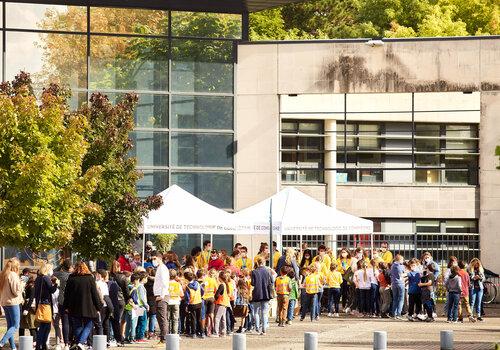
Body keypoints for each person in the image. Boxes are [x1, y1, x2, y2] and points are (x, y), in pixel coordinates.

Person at [64, 261, 103, 349]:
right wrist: (98, 307)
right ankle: (80, 343)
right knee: (88, 325)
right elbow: (95, 294)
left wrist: (66, 306)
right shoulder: (90, 278)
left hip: (74, 306)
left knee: (77, 325)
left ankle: (79, 344)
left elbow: (66, 294)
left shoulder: (71, 278)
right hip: (88, 306)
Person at [0, 258, 23, 350]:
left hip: (5, 302)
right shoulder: (13, 275)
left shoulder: (3, 274)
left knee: (10, 326)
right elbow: (16, 292)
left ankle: (13, 347)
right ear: (15, 266)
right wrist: (22, 285)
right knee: (16, 325)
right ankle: (1, 343)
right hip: (13, 302)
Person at [34, 262, 58, 350]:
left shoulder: (38, 278)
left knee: (45, 326)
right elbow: (51, 290)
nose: (52, 271)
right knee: (45, 326)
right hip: (46, 304)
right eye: (51, 269)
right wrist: (56, 284)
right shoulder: (46, 278)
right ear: (47, 269)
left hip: (40, 304)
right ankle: (40, 345)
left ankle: (42, 345)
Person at [250, 256, 273, 335]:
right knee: (264, 312)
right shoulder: (268, 271)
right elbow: (272, 281)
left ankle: (257, 327)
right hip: (266, 293)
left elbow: (252, 283)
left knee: (256, 311)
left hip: (257, 293)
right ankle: (264, 329)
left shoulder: (254, 272)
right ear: (264, 262)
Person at [53, 259, 71, 349]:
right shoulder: (73, 275)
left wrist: (60, 265)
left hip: (62, 301)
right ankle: (71, 341)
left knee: (65, 322)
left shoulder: (62, 274)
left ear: (63, 267)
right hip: (72, 301)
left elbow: (54, 271)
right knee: (72, 322)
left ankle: (66, 343)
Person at [109, 260, 128, 345]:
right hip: (120, 300)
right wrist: (128, 300)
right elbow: (126, 291)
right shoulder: (123, 277)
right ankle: (119, 338)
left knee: (109, 320)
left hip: (110, 300)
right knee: (118, 320)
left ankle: (111, 337)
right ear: (119, 267)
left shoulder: (108, 276)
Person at [184, 271, 204, 338]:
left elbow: (187, 297)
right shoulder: (198, 283)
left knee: (193, 319)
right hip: (199, 302)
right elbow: (202, 291)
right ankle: (201, 333)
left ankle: (193, 333)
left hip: (192, 303)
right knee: (199, 318)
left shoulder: (188, 286)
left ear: (186, 279)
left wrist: (186, 304)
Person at [213, 271, 230, 337]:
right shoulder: (225, 284)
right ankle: (223, 332)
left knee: (217, 318)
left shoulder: (221, 285)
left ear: (220, 278)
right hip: (225, 303)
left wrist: (215, 299)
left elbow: (217, 294)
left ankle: (216, 332)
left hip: (221, 303)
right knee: (223, 318)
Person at [166, 269, 182, 335]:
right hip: (176, 302)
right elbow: (182, 294)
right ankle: (174, 334)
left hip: (168, 301)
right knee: (175, 319)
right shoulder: (178, 284)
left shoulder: (166, 283)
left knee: (168, 319)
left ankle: (168, 333)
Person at [336, 247, 352, 312]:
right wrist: (341, 268)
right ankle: (339, 306)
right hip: (341, 275)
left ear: (348, 253)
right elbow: (336, 268)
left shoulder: (350, 259)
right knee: (340, 292)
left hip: (348, 276)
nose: (343, 254)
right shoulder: (338, 260)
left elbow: (351, 267)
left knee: (346, 292)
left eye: (345, 252)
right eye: (342, 252)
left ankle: (345, 306)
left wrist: (346, 268)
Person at [390, 254, 405, 319]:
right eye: (402, 259)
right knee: (401, 299)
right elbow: (402, 275)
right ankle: (399, 314)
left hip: (394, 283)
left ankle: (394, 314)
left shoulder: (392, 265)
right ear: (400, 260)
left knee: (395, 299)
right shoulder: (400, 266)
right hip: (400, 283)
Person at [144, 267, 157, 339]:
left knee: (145, 317)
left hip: (145, 300)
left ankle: (144, 332)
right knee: (152, 317)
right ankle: (151, 332)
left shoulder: (144, 282)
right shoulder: (156, 283)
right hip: (153, 301)